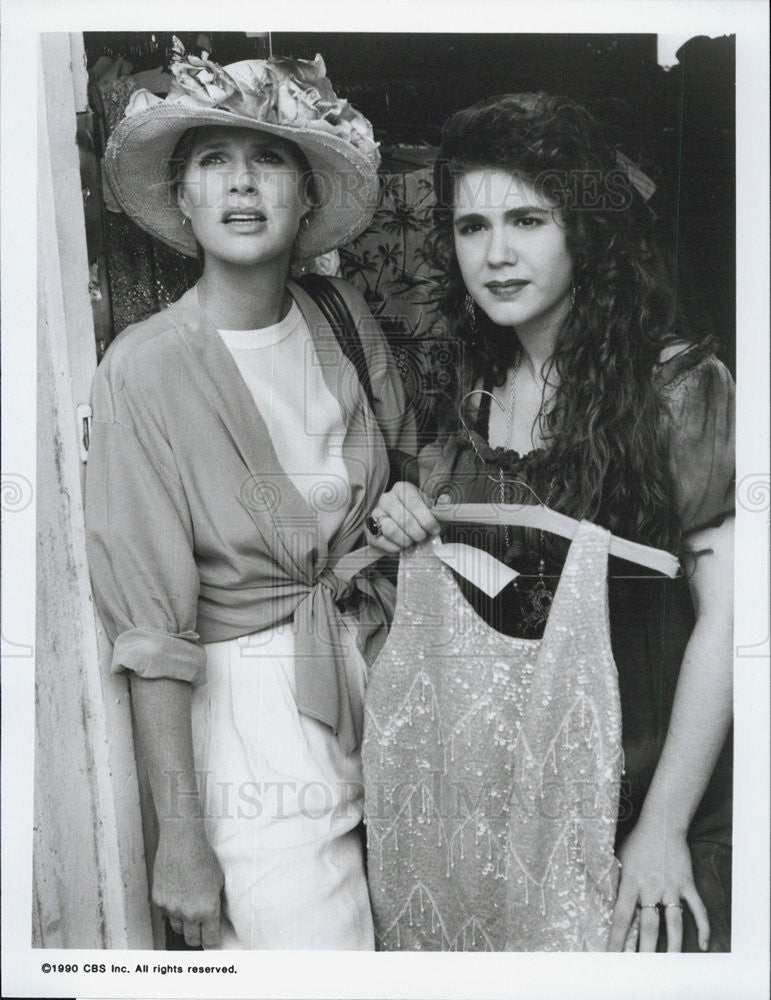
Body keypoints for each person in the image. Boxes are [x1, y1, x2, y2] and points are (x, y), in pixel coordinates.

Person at [362, 93, 734, 952]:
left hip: (656, 791)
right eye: (470, 227)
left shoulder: (678, 391)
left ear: (584, 231)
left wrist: (663, 829)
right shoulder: (471, 401)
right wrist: (410, 526)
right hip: (529, 799)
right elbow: (505, 604)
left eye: (527, 219)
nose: (494, 255)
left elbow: (736, 620)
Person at [85, 46, 416, 950]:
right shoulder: (143, 371)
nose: (242, 185)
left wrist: (402, 517)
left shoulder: (338, 315)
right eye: (212, 161)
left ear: (306, 196)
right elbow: (150, 635)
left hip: (377, 694)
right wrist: (182, 838)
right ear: (183, 197)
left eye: (269, 158)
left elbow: (410, 473)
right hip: (252, 746)